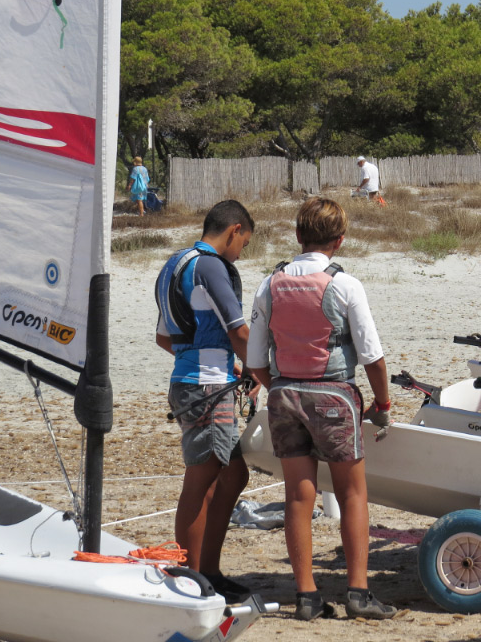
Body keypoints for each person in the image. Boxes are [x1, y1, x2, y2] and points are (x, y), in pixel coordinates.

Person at [246, 197, 396, 621]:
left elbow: (256, 360)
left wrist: (282, 389)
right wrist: (382, 405)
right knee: (352, 493)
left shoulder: (268, 284)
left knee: (298, 494)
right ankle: (358, 592)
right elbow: (372, 357)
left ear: (298, 236)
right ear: (340, 241)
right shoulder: (346, 285)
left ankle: (307, 596)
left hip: (284, 394)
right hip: (333, 395)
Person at [154, 199, 256, 604]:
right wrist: (264, 371)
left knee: (233, 476)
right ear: (234, 230)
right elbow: (240, 331)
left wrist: (208, 360)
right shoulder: (211, 265)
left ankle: (208, 570)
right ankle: (193, 579)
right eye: (243, 244)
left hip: (195, 380)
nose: (240, 252)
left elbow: (165, 337)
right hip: (207, 388)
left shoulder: (173, 264)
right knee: (201, 481)